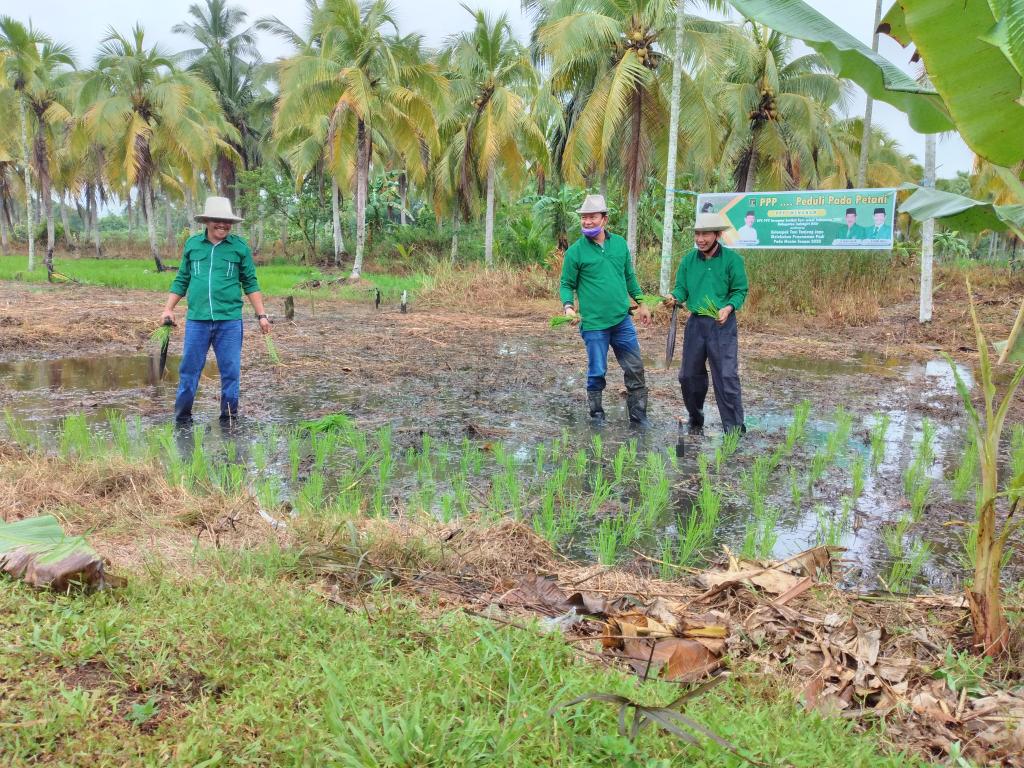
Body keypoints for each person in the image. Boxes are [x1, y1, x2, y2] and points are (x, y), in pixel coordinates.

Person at [161, 196, 271, 426]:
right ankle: (182, 419)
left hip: (229, 322)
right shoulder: (192, 245)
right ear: (207, 221)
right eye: (217, 221)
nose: (222, 225)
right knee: (189, 370)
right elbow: (182, 279)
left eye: (226, 221)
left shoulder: (239, 248)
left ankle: (228, 420)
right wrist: (168, 309)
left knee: (230, 371)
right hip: (197, 321)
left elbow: (250, 282)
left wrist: (262, 316)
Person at [559, 194, 652, 426]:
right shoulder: (575, 252)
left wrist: (642, 303)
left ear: (604, 219)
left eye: (592, 217)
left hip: (622, 321)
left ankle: (639, 417)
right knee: (597, 371)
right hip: (593, 324)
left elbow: (629, 277)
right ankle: (597, 416)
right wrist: (568, 307)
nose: (587, 222)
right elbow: (566, 284)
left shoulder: (619, 244)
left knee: (635, 368)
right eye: (584, 218)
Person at [664, 212, 749, 434]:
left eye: (705, 234)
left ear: (717, 235)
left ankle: (734, 428)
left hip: (722, 325)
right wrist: (675, 297)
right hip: (696, 325)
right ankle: (696, 414)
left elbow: (739, 290)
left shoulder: (732, 261)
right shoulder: (688, 261)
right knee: (687, 376)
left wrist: (728, 307)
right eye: (697, 234)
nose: (700, 239)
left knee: (726, 375)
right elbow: (682, 288)